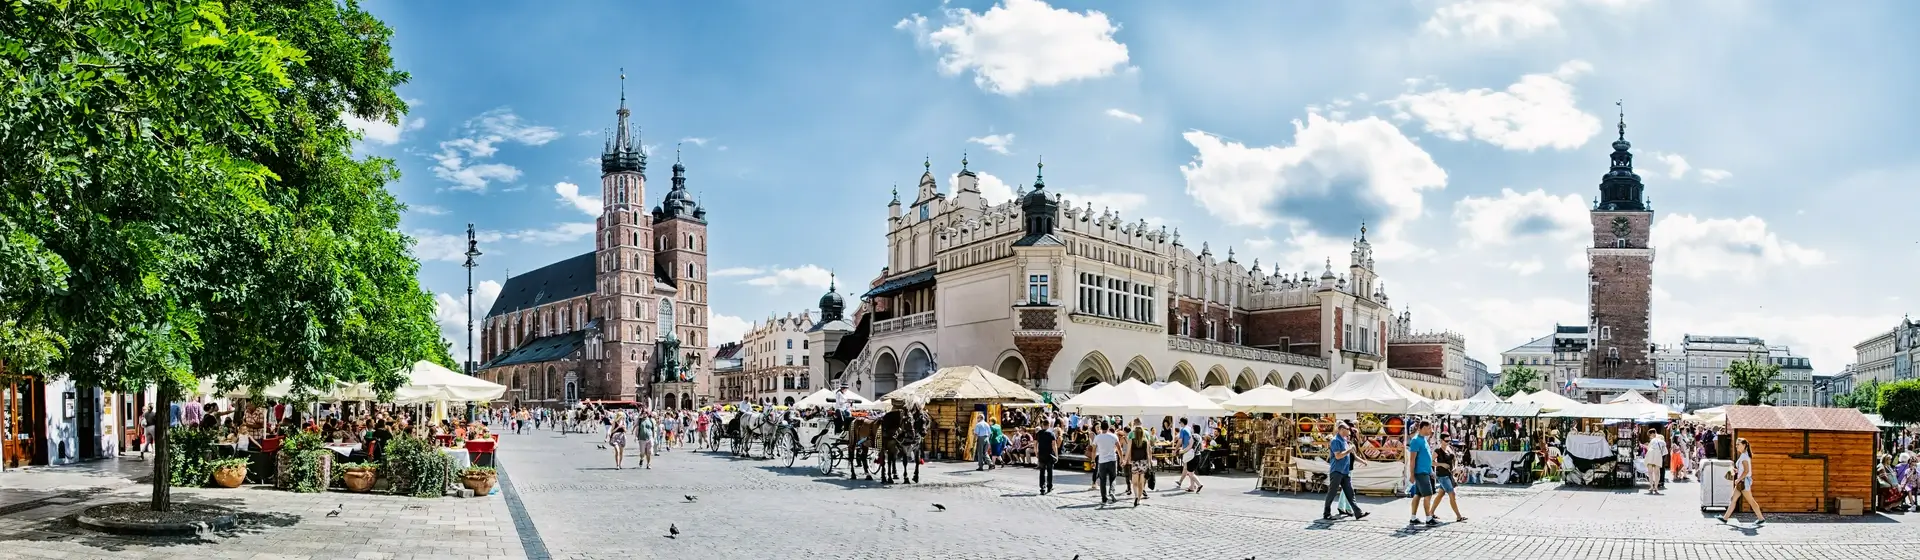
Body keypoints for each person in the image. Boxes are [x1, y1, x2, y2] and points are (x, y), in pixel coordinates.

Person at [1324, 421, 1369, 520]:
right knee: (1332, 492)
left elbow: (1352, 455)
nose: (1349, 431)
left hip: (1345, 471)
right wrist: (1349, 450)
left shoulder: (1344, 440)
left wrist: (1362, 461)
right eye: (1347, 429)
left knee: (1350, 492)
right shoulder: (1336, 441)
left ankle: (1358, 513)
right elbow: (1338, 456)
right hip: (1337, 471)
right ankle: (1326, 513)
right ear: (1341, 430)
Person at [1719, 437, 1766, 525]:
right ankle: (1725, 518)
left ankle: (1761, 518)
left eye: (1738, 444)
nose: (1736, 446)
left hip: (1744, 482)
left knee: (1751, 500)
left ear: (1744, 445)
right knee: (1733, 499)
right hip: (1742, 482)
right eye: (1736, 444)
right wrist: (1736, 471)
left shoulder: (1744, 457)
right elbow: (1743, 470)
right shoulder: (1743, 455)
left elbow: (1746, 471)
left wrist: (1738, 479)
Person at [1406, 420, 1439, 526]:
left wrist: (1430, 471)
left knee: (1418, 494)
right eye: (1429, 428)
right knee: (1428, 495)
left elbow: (1426, 457)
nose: (1431, 430)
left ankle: (1413, 517)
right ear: (1423, 428)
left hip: (1425, 471)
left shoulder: (1424, 439)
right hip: (1420, 472)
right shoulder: (1415, 440)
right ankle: (1429, 518)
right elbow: (1412, 460)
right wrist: (1412, 475)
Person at [1434, 437, 1467, 522]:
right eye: (1446, 441)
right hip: (1442, 475)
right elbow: (1431, 462)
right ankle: (1458, 516)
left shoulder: (1449, 449)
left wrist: (1455, 468)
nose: (1447, 442)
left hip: (1448, 474)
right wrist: (1441, 464)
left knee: (1440, 495)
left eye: (1449, 441)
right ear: (1441, 440)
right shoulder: (1438, 450)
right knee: (1452, 494)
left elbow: (1454, 459)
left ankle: (1430, 513)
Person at [1092, 421, 1121, 505]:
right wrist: (1122, 459)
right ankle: (1112, 491)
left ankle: (1104, 498)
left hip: (1102, 461)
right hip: (1112, 460)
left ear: (1101, 428)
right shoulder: (1113, 436)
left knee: (1102, 480)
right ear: (1108, 427)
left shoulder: (1097, 437)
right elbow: (1119, 448)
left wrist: (1093, 460)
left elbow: (1093, 450)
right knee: (1113, 478)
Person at [1176, 418, 1203, 493]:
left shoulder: (1193, 436)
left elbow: (1189, 446)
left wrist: (1182, 451)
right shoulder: (1200, 437)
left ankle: (1199, 484)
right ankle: (1191, 487)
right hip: (1198, 455)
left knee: (1190, 473)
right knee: (1192, 471)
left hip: (1192, 456)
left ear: (1194, 429)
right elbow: (1202, 448)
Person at [1034, 419, 1059, 495]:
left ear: (1042, 425)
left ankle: (1042, 487)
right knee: (1049, 471)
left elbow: (1035, 444)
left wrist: (1036, 452)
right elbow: (1054, 445)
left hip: (1041, 454)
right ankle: (1049, 486)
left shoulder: (1038, 433)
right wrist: (1056, 455)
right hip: (1049, 455)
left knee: (1042, 471)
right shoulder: (1051, 434)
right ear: (1048, 425)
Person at [1645, 428, 1669, 495]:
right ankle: (1655, 487)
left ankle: (1651, 486)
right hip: (1658, 455)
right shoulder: (1661, 437)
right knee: (1657, 472)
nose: (1649, 437)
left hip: (1651, 454)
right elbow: (1664, 446)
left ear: (1652, 434)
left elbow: (1648, 448)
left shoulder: (1653, 440)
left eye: (1650, 435)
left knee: (1650, 472)